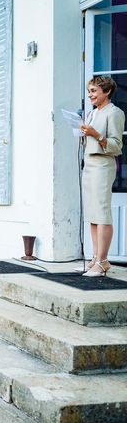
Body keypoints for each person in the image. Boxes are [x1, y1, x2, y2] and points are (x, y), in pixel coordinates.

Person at [79, 76, 125, 277]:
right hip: (89, 164)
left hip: (103, 165)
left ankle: (103, 260)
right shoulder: (91, 113)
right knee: (92, 212)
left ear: (106, 92)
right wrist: (83, 134)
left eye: (94, 91)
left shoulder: (114, 113)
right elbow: (90, 141)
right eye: (89, 91)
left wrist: (96, 134)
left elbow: (116, 145)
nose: (90, 95)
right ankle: (96, 257)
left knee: (102, 212)